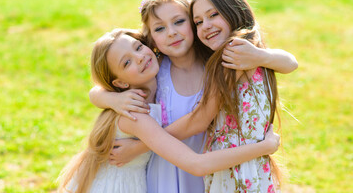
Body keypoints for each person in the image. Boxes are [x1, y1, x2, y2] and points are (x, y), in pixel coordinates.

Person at [89, 0, 298, 193]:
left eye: (180, 21)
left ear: (192, 24)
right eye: (160, 28)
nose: (172, 33)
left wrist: (139, 147)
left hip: (212, 167)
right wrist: (111, 100)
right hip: (167, 172)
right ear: (150, 39)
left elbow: (290, 63)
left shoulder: (216, 62)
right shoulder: (153, 69)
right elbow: (101, 89)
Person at [57, 28, 281, 193]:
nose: (140, 57)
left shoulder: (142, 87)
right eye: (126, 63)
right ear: (121, 83)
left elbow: (96, 92)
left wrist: (105, 96)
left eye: (138, 47)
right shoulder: (134, 112)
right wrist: (264, 147)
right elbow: (196, 164)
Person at [188, 0, 298, 192]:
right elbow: (291, 63)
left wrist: (147, 139)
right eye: (198, 22)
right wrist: (261, 56)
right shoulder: (248, 49)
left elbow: (199, 120)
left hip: (235, 173)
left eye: (213, 15)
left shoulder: (234, 55)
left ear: (234, 12)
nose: (206, 25)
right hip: (250, 167)